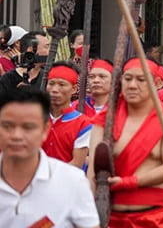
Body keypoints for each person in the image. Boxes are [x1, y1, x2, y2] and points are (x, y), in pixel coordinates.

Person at [89, 58, 163, 228]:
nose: (132, 85)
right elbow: (92, 174)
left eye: (141, 80)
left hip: (155, 218)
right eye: (128, 79)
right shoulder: (105, 120)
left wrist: (127, 183)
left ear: (158, 82)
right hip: (109, 217)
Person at [0, 86, 99, 227]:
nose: (17, 136)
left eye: (28, 127)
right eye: (8, 126)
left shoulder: (73, 182)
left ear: (45, 130)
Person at [42, 62, 92, 167]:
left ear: (74, 89)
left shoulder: (83, 124)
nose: (55, 90)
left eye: (62, 84)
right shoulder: (36, 119)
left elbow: (77, 163)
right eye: (51, 83)